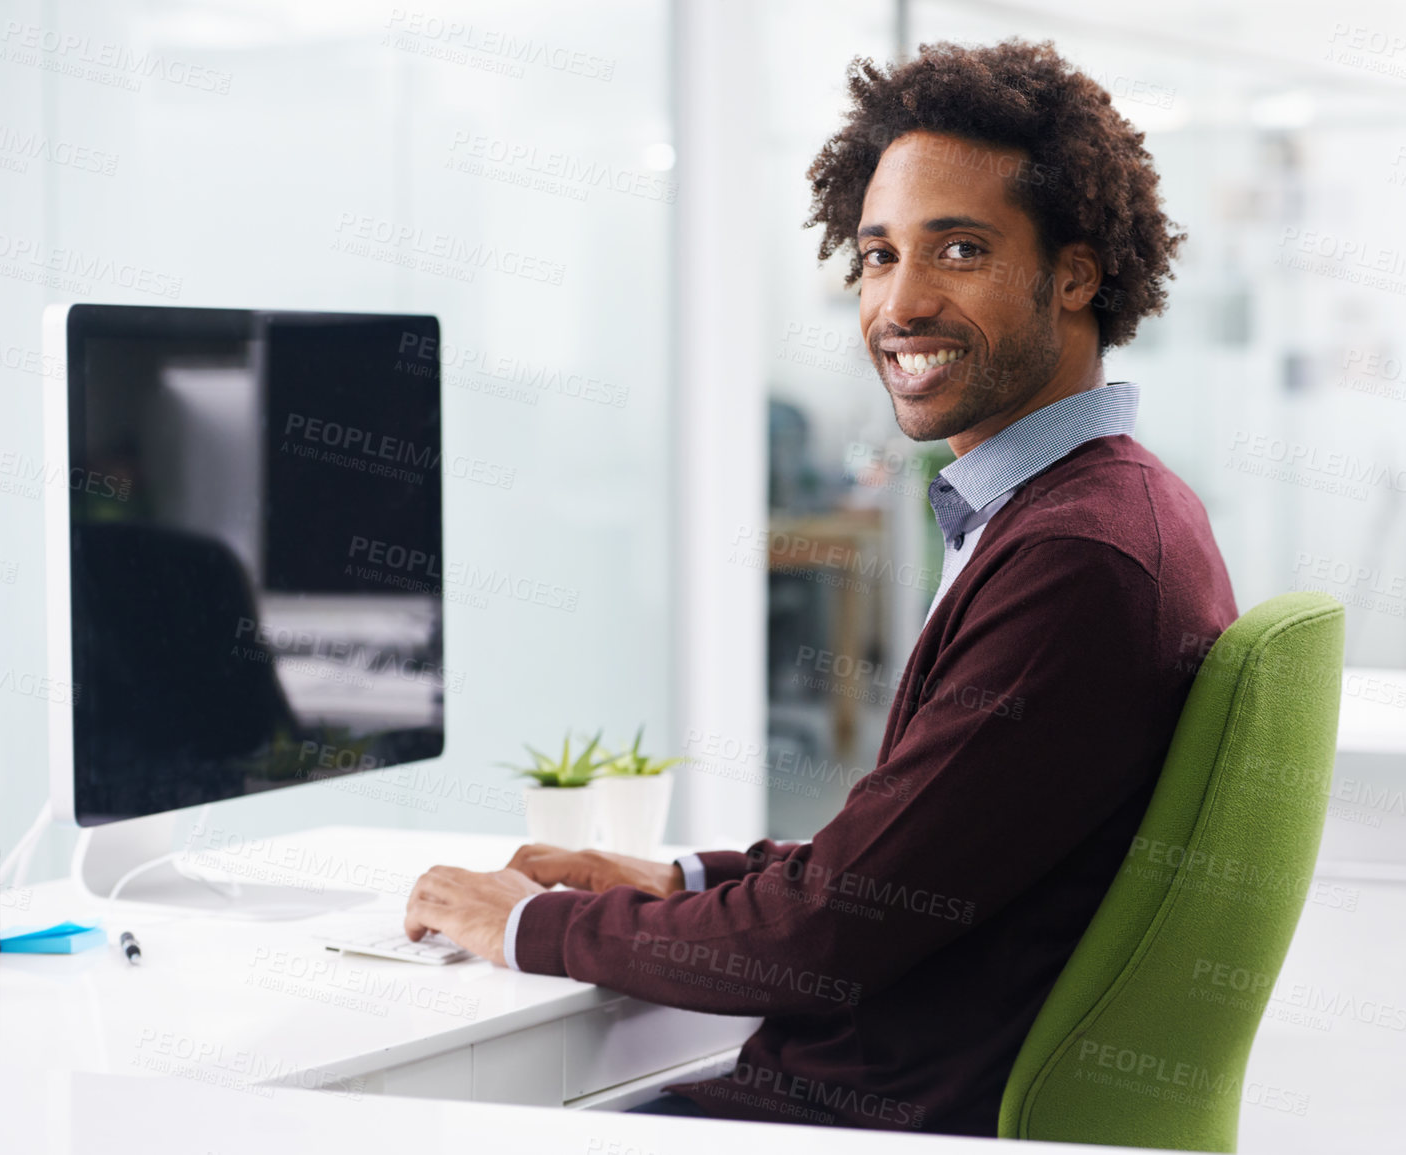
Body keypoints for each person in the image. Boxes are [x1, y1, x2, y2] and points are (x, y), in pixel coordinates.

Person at [403, 37, 1237, 1136]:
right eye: (880, 255)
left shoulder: (1079, 557)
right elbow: (917, 855)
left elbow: (827, 937)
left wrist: (530, 926)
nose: (902, 303)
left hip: (871, 1116)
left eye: (961, 250)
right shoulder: (1104, 510)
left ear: (1075, 274)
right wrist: (675, 876)